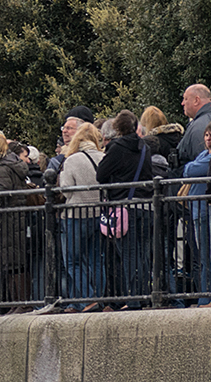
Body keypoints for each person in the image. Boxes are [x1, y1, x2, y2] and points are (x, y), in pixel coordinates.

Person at [95, 109, 158, 302]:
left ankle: (133, 298)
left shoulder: (117, 147)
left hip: (124, 206)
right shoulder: (145, 147)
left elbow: (101, 175)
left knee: (129, 254)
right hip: (146, 205)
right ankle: (147, 295)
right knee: (144, 253)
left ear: (116, 128)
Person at [0, 134, 36, 305]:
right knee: (13, 263)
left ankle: (19, 303)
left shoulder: (3, 167)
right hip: (15, 217)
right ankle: (17, 303)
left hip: (7, 219)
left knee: (12, 264)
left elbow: (0, 192)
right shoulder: (13, 163)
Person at [55, 121, 105, 305]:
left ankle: (88, 298)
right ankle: (100, 297)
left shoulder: (72, 159)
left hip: (76, 215)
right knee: (97, 260)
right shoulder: (103, 156)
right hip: (98, 213)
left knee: (73, 261)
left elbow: (66, 190)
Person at [182, 122, 211, 304]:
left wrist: (192, 167)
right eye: (206, 135)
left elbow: (192, 169)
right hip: (196, 210)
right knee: (202, 258)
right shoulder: (203, 154)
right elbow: (188, 171)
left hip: (206, 210)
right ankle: (204, 296)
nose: (208, 139)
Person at [178, 84, 211, 166]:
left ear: (196, 100)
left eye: (185, 99)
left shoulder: (199, 127)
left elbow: (202, 165)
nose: (182, 103)